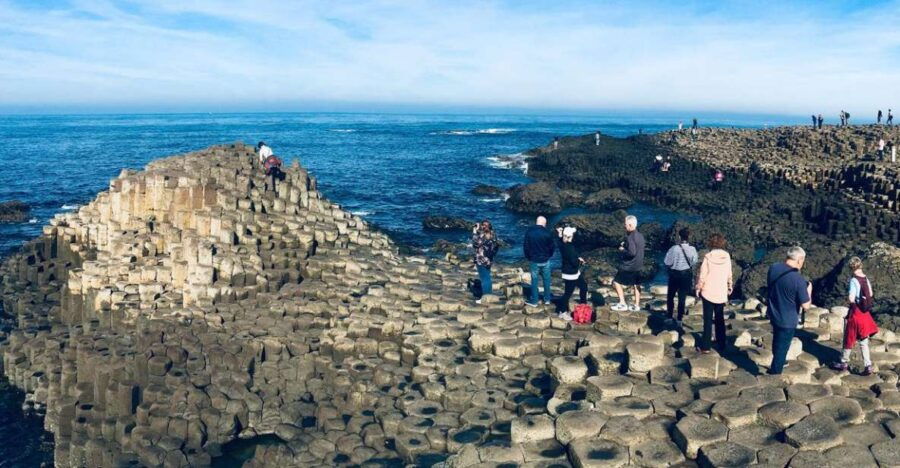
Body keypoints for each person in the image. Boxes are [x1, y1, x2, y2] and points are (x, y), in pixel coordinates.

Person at [766, 246, 812, 375]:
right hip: (788, 319)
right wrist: (809, 290)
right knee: (783, 346)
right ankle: (775, 372)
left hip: (774, 312)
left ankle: (779, 362)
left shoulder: (774, 268)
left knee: (776, 339)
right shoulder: (798, 280)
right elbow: (806, 305)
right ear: (799, 260)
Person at [830, 257, 878, 375]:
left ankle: (843, 362)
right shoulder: (865, 278)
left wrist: (852, 301)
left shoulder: (853, 280)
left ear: (851, 268)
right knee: (863, 340)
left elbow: (851, 298)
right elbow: (871, 294)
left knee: (849, 337)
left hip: (856, 313)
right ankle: (868, 365)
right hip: (865, 313)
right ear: (861, 266)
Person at [695, 234, 733, 353]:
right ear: (722, 243)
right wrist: (730, 286)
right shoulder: (727, 256)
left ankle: (706, 346)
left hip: (708, 291)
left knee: (707, 319)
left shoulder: (707, 256)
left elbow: (702, 275)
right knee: (719, 318)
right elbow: (729, 273)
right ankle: (721, 343)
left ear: (711, 243)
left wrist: (698, 288)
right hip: (721, 292)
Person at [664, 228, 698, 328]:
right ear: (689, 237)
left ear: (679, 237)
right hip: (686, 274)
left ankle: (670, 316)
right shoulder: (692, 249)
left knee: (670, 296)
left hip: (674, 274)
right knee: (682, 297)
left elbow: (667, 262)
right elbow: (694, 262)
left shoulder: (673, 248)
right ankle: (679, 318)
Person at [611, 215, 645, 312]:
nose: (624, 226)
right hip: (638, 265)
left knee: (616, 282)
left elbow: (632, 252)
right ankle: (637, 305)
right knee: (636, 283)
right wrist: (626, 246)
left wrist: (622, 250)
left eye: (625, 224)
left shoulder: (630, 237)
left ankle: (622, 303)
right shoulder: (640, 236)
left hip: (629, 266)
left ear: (630, 225)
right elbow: (638, 248)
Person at [556, 226, 587, 320]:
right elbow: (573, 262)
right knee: (568, 294)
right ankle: (562, 311)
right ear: (570, 237)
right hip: (571, 274)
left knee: (584, 286)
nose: (573, 236)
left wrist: (560, 235)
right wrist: (580, 262)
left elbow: (560, 240)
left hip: (570, 272)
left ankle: (583, 304)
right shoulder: (569, 247)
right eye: (572, 235)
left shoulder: (563, 244)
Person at [524, 216, 555, 307]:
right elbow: (552, 247)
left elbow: (526, 246)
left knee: (534, 280)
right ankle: (547, 299)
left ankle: (534, 301)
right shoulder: (547, 233)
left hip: (534, 260)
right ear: (544, 223)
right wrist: (549, 255)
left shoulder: (529, 232)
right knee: (546, 280)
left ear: (536, 222)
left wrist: (528, 257)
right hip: (545, 260)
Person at [472, 220, 499, 304]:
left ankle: (485, 297)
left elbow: (475, 244)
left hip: (481, 259)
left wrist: (474, 231)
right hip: (489, 260)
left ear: (483, 226)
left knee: (484, 279)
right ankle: (489, 295)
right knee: (487, 277)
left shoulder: (481, 235)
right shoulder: (493, 234)